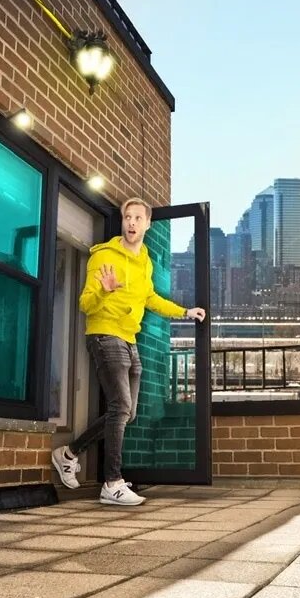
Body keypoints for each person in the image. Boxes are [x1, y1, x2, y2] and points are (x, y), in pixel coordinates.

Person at [51, 197, 206, 505]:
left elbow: (150, 298)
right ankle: (112, 483)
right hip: (105, 334)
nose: (132, 223)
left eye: (138, 218)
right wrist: (105, 291)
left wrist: (185, 312)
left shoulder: (145, 261)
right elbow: (85, 303)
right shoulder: (105, 256)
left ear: (148, 224)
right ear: (122, 222)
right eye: (127, 217)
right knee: (121, 407)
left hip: (129, 339)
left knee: (127, 412)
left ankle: (67, 454)